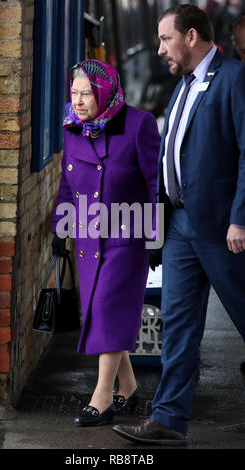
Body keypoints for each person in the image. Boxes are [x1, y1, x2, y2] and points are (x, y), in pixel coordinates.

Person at [113, 4, 245, 445]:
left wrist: (240, 219)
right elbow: (170, 158)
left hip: (222, 230)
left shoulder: (232, 79)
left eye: (165, 39)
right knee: (178, 324)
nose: (160, 49)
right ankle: (168, 419)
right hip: (180, 226)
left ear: (191, 37)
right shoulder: (182, 87)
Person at [51, 59, 161, 426]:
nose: (78, 101)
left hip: (127, 236)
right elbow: (68, 184)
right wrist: (59, 228)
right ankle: (127, 387)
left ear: (105, 92)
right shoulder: (72, 129)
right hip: (87, 237)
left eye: (86, 93)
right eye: (74, 93)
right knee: (100, 312)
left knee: (109, 309)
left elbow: (152, 185)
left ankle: (102, 397)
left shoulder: (139, 125)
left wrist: (154, 236)